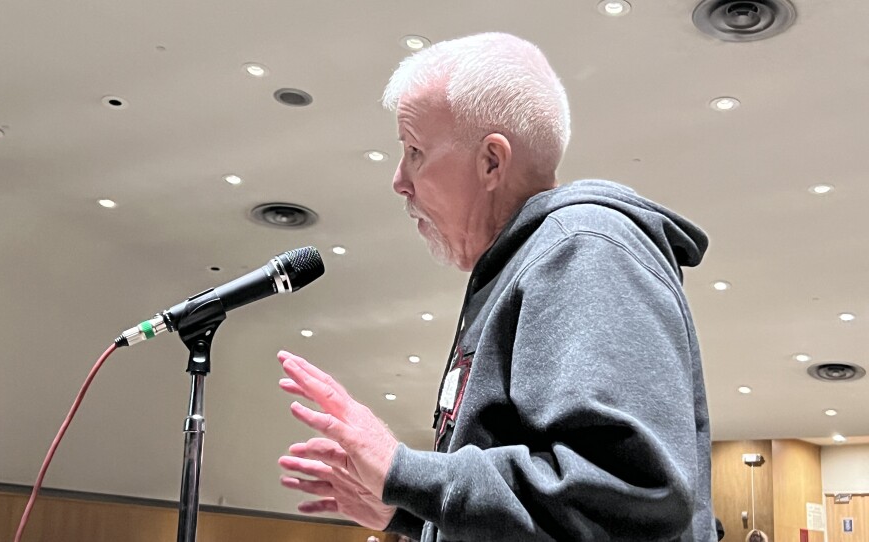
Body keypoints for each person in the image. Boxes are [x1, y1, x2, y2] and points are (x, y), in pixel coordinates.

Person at [277, 32, 715, 541]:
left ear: (491, 161)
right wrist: (412, 512)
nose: (399, 179)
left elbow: (626, 496)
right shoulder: (531, 261)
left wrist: (405, 473)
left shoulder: (584, 248)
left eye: (415, 151)